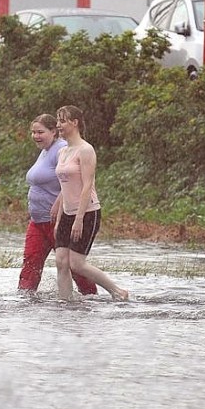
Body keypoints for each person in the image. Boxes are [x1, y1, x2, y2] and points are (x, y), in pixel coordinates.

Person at [53, 105, 129, 302]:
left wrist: (78, 219)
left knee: (76, 264)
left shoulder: (86, 150)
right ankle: (65, 303)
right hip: (67, 213)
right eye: (57, 121)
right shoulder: (63, 152)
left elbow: (87, 186)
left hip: (87, 212)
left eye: (62, 121)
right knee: (61, 261)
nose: (58, 125)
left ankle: (117, 291)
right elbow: (64, 187)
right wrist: (60, 218)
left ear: (75, 123)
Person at [19, 113, 97, 296]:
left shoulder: (62, 148)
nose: (36, 136)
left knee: (73, 265)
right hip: (38, 221)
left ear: (53, 132)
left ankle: (91, 297)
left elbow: (72, 179)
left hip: (57, 219)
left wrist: (58, 203)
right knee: (31, 262)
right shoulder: (45, 151)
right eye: (33, 132)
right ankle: (25, 300)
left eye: (40, 132)